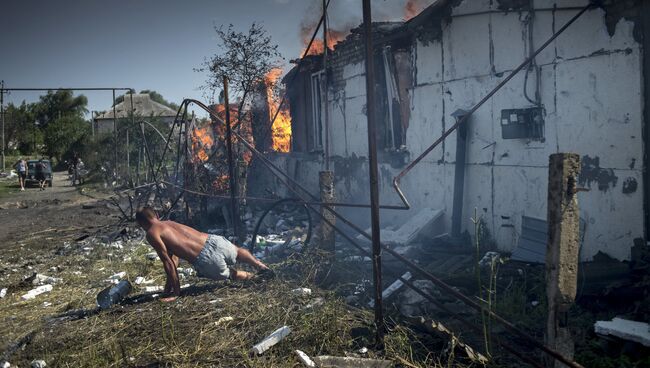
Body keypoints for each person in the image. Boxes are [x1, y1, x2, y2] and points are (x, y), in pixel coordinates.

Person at [135, 207, 271, 302]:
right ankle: (260, 266)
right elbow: (174, 258)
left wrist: (176, 292)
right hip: (213, 240)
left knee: (231, 274)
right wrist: (167, 288)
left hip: (206, 259)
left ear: (142, 224)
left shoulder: (152, 233)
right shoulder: (169, 223)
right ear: (156, 215)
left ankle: (253, 277)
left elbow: (168, 262)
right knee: (238, 252)